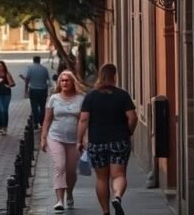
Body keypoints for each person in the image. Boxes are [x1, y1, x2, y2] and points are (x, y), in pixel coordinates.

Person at [77, 64, 137, 215]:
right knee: (119, 175)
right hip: (119, 140)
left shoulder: (90, 96)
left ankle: (105, 212)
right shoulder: (122, 95)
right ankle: (117, 197)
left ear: (99, 76)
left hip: (97, 141)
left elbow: (83, 120)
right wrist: (128, 131)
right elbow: (132, 117)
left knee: (102, 178)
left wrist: (79, 140)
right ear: (115, 76)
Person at [41, 70, 86, 212]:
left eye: (67, 80)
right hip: (55, 137)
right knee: (59, 167)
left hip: (74, 140)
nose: (65, 83)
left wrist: (84, 139)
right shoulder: (53, 98)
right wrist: (43, 138)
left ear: (73, 83)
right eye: (62, 80)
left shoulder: (81, 99)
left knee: (71, 171)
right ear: (59, 83)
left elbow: (84, 121)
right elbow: (47, 119)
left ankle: (70, 193)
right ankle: (59, 200)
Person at [21, 55, 52, 126]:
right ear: (39, 60)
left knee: (34, 106)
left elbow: (27, 80)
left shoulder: (30, 69)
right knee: (42, 106)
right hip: (43, 90)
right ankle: (42, 121)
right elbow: (47, 79)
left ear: (33, 60)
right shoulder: (44, 69)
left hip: (33, 90)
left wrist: (26, 90)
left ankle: (36, 122)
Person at [0, 60, 16, 135]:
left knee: (4, 110)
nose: (0, 68)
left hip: (6, 94)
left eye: (1, 66)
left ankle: (5, 127)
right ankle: (1, 126)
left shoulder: (7, 74)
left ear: (4, 67)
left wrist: (9, 85)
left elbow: (13, 83)